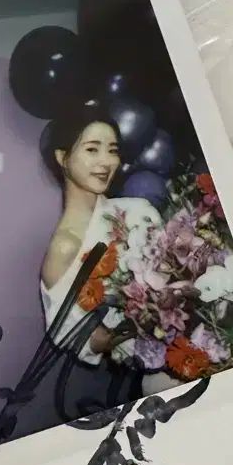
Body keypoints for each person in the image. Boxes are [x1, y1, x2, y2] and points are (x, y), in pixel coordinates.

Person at [40, 102, 162, 365]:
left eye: (113, 151)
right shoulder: (65, 247)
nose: (106, 161)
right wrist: (142, 317)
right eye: (92, 149)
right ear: (62, 158)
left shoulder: (139, 211)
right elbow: (85, 339)